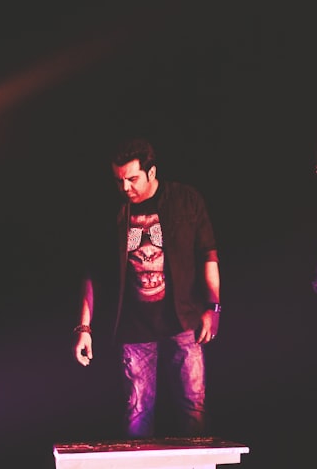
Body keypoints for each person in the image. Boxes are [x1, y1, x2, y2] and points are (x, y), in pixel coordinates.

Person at [73, 137, 222, 438]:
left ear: (151, 172)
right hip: (134, 327)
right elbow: (92, 273)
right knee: (137, 411)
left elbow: (208, 254)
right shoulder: (111, 211)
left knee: (193, 406)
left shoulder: (186, 199)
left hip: (184, 321)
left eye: (132, 179)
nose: (125, 188)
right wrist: (84, 328)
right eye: (119, 181)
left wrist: (213, 307)